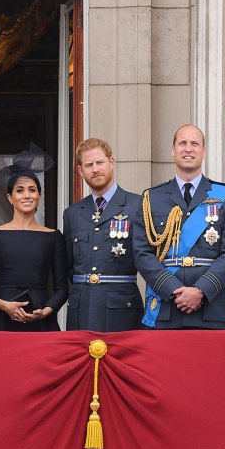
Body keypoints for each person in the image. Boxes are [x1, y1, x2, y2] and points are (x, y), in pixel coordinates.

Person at [133, 124, 225, 329]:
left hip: (211, 309)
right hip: (166, 308)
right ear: (173, 150)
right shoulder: (151, 198)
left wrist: (200, 291)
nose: (188, 148)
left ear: (204, 151)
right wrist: (173, 290)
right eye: (182, 143)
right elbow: (142, 253)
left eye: (195, 143)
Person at [0, 144, 68, 331]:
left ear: (39, 196)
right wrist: (3, 305)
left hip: (41, 320)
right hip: (0, 320)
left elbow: (62, 288)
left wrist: (47, 310)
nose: (27, 195)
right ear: (10, 197)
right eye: (20, 190)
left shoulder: (53, 237)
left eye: (32, 190)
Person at [62, 138, 143, 331]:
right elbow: (69, 266)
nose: (95, 169)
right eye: (89, 165)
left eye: (100, 162)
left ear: (112, 162)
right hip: (81, 309)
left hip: (122, 309)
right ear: (81, 171)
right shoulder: (72, 213)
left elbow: (148, 259)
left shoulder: (137, 205)